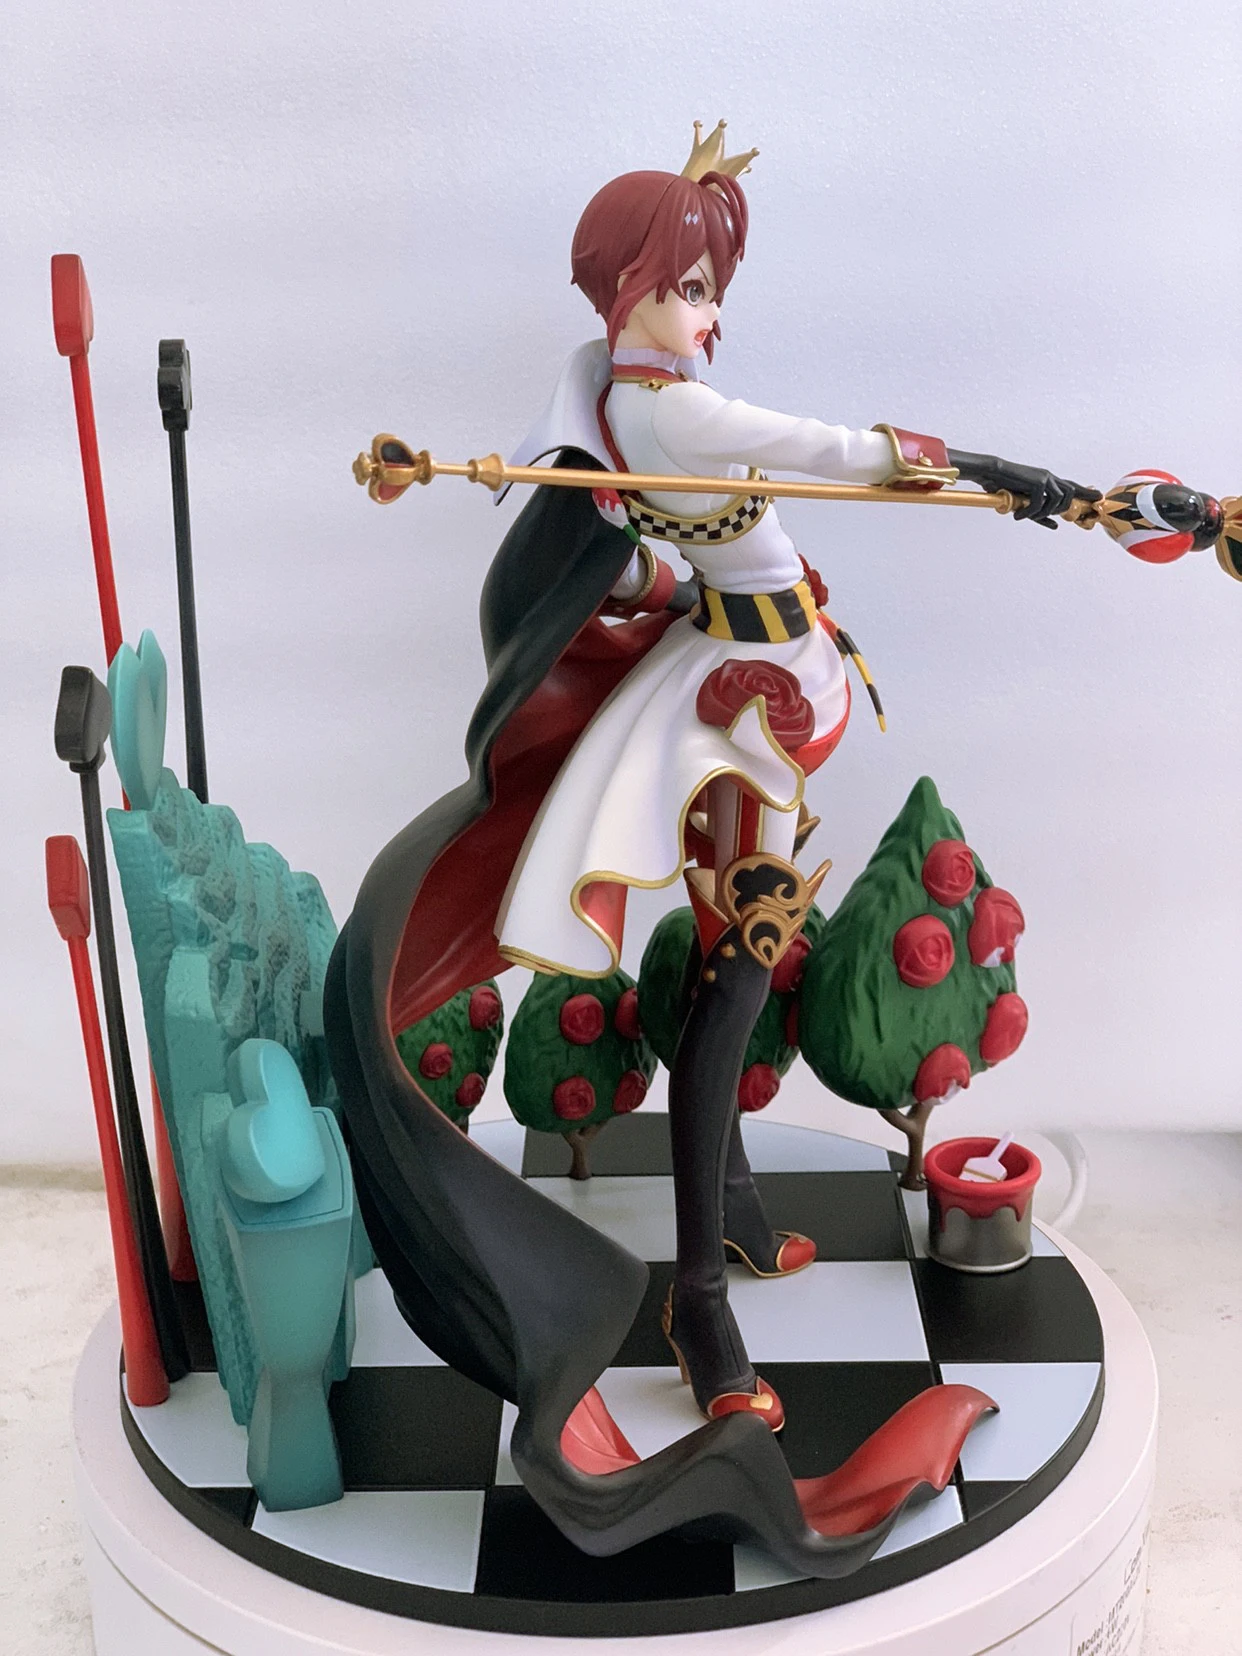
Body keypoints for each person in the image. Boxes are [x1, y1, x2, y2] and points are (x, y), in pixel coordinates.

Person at [324, 122, 1089, 1568]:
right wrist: (990, 468)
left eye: (711, 286)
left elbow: (649, 527)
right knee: (741, 976)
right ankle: (698, 1302)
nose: (706, 311)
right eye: (682, 286)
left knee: (749, 960)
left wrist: (653, 565)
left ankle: (725, 1213)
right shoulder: (669, 412)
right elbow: (830, 450)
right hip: (737, 717)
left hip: (752, 673)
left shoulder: (610, 397)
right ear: (623, 290)